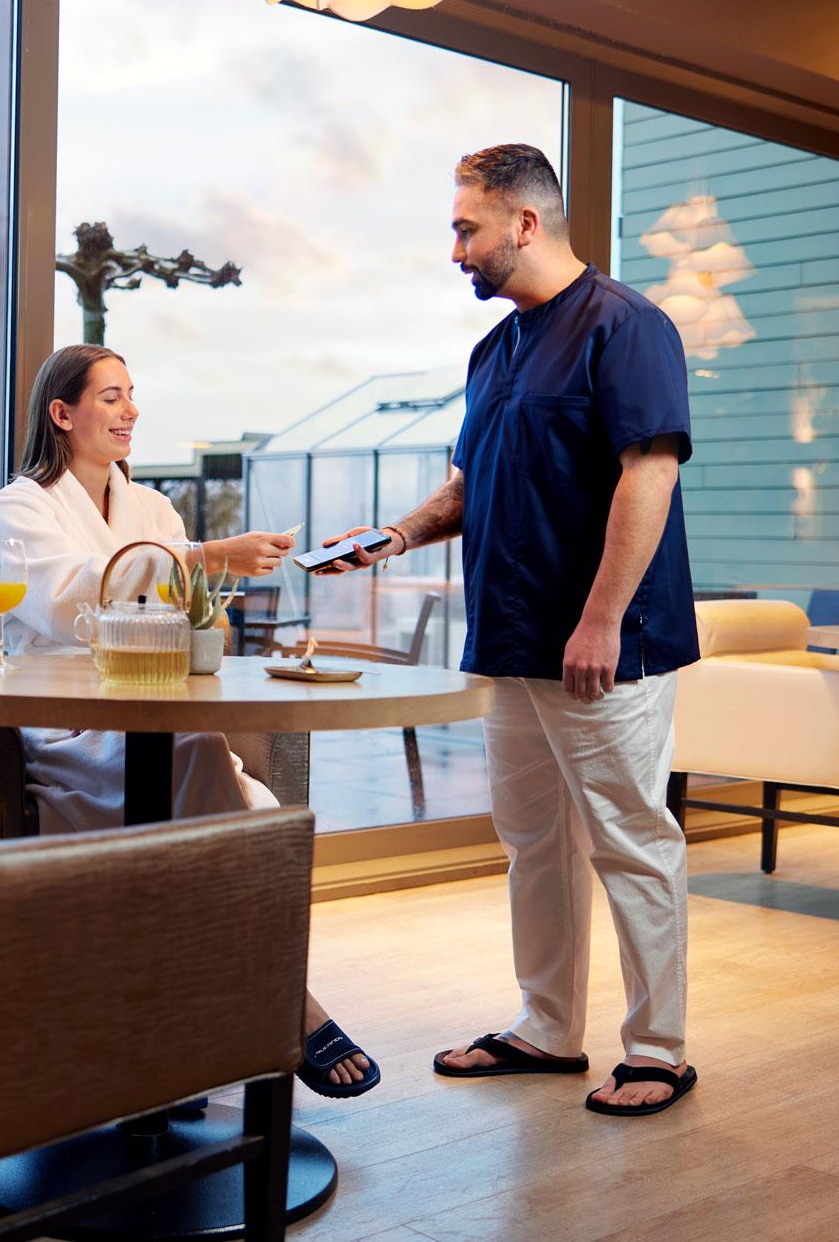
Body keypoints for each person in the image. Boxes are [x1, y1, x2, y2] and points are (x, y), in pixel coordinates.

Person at [320, 144, 699, 1117]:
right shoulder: (492, 352)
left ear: (523, 224)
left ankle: (657, 1049)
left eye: (463, 228)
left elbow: (647, 473)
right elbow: (467, 483)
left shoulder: (627, 325)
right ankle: (545, 1026)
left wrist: (601, 617)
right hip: (511, 636)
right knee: (534, 840)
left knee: (628, 838)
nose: (453, 250)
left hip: (602, 647)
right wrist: (393, 533)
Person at [0, 342, 378, 1098]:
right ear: (62, 414)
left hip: (154, 712)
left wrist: (194, 585)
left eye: (132, 393)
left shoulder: (150, 507)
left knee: (203, 755)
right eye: (108, 396)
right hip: (64, 727)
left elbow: (192, 623)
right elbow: (68, 605)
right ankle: (287, 1002)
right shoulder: (20, 507)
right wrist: (199, 558)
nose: (130, 409)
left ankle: (199, 1025)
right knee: (204, 758)